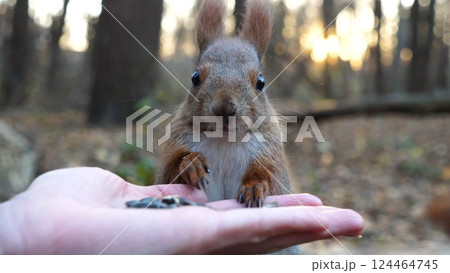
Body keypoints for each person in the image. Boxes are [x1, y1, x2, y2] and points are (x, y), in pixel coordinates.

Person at [0, 167, 364, 254]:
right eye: (198, 81)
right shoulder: (185, 127)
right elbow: (172, 176)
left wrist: (258, 179)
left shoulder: (264, 133)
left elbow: (273, 177)